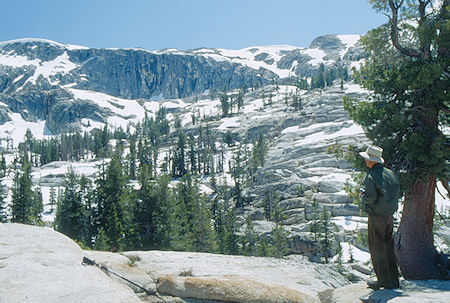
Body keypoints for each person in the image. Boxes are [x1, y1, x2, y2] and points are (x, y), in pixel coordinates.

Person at [360, 145, 400, 290]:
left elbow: (370, 197)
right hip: (389, 216)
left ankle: (383, 281)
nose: (366, 161)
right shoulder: (391, 173)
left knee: (377, 248)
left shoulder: (371, 176)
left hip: (377, 216)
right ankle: (394, 280)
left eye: (366, 159)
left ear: (371, 161)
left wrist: (363, 197)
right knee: (388, 246)